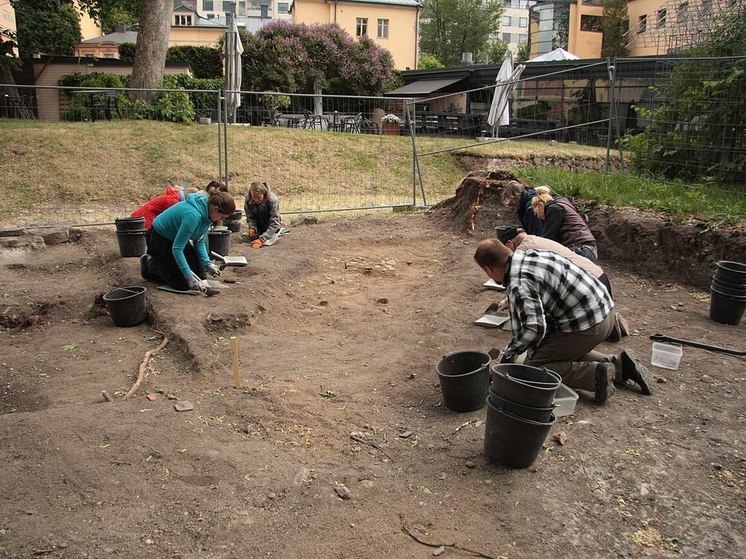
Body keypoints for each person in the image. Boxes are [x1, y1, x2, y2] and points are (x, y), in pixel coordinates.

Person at [473, 238, 652, 404]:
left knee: (533, 365)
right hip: (606, 312)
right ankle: (621, 366)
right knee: (553, 351)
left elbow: (534, 329)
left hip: (588, 325)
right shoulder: (531, 254)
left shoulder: (519, 282)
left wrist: (509, 356)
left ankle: (595, 376)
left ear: (489, 269)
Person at [498, 226, 628, 341]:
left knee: (553, 326)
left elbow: (523, 284)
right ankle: (611, 324)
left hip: (585, 283)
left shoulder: (522, 251)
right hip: (597, 280)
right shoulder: (534, 238)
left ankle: (606, 327)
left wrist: (508, 301)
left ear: (510, 243)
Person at [140, 191, 236, 292]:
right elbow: (177, 249)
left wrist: (207, 264)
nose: (221, 220)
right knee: (184, 283)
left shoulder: (208, 214)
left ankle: (168, 266)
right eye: (222, 217)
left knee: (201, 276)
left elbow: (199, 241)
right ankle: (149, 264)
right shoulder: (193, 216)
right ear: (215, 209)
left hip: (176, 238)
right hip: (159, 238)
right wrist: (188, 276)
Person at [531, 185, 599, 262]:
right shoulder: (562, 205)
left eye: (537, 213)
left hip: (580, 249)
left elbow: (548, 238)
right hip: (589, 249)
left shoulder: (554, 209)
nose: (539, 217)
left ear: (540, 205)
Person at [130, 182, 199, 229]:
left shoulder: (175, 198)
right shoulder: (173, 201)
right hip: (146, 216)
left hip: (147, 215)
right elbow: (172, 219)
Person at [244, 180, 282, 249]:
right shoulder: (248, 199)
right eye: (254, 197)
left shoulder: (273, 200)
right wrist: (252, 227)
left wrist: (262, 239)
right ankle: (259, 232)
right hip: (258, 225)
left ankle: (265, 234)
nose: (256, 200)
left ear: (264, 194)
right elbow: (250, 217)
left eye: (258, 197)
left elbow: (275, 223)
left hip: (270, 226)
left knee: (262, 207)